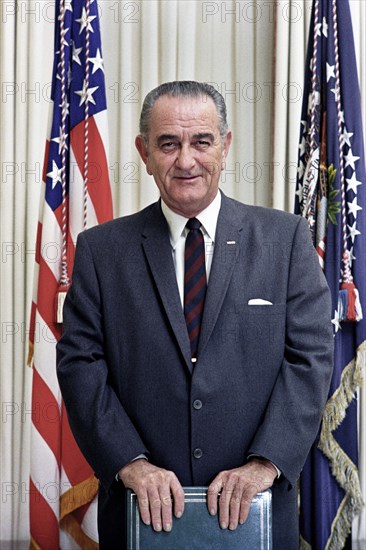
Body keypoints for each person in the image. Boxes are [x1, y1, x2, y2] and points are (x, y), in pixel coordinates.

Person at [57, 81, 334, 549]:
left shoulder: (285, 240)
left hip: (256, 512)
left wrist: (266, 463)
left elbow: (310, 360)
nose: (186, 161)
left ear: (225, 146)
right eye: (168, 143)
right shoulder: (101, 251)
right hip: (139, 513)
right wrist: (130, 463)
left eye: (201, 141)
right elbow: (80, 364)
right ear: (144, 153)